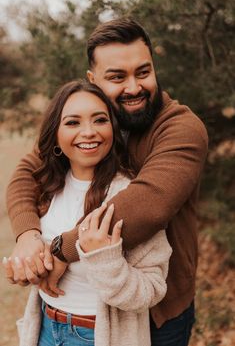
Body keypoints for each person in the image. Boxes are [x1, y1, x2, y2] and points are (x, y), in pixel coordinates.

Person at [4, 18, 208, 346]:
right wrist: (28, 235)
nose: (133, 87)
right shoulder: (95, 125)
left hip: (160, 309)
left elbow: (148, 205)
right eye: (117, 76)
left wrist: (60, 250)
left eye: (143, 72)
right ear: (93, 80)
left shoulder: (181, 128)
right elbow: (28, 172)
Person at [3, 79, 172, 346]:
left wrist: (104, 260)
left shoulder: (128, 194)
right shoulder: (48, 185)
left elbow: (152, 290)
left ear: (114, 129)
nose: (89, 132)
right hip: (45, 328)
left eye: (100, 120)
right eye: (73, 122)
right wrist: (27, 268)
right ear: (55, 134)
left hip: (96, 336)